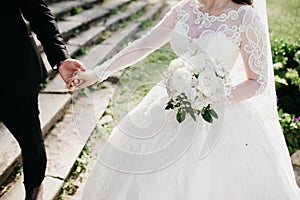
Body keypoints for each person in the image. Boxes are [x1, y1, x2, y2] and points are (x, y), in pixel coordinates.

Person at [69, 0, 300, 199]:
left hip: (219, 114)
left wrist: (213, 94)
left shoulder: (245, 17)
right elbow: (143, 46)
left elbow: (257, 81)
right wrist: (97, 73)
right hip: (170, 104)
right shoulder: (185, 8)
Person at [0, 1, 86, 199]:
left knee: (31, 142)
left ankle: (35, 191)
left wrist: (60, 58)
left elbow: (38, 12)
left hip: (13, 69)